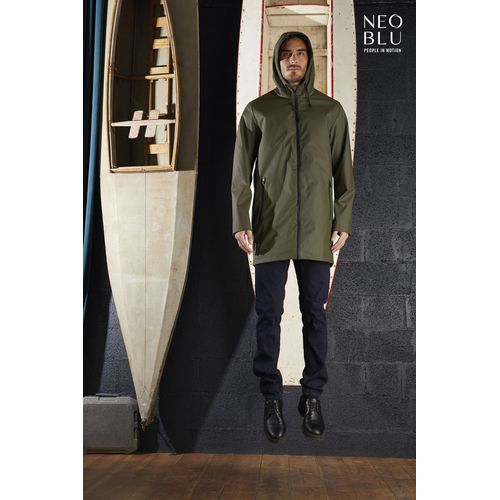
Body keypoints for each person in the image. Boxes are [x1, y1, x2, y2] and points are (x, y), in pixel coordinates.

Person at [232, 31, 355, 442]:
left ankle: (312, 395)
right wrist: (241, 219)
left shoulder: (330, 112)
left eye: (301, 53)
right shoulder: (258, 111)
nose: (294, 60)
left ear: (310, 59)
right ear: (276, 61)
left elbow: (344, 174)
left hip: (317, 229)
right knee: (268, 314)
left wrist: (343, 220)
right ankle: (271, 396)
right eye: (286, 54)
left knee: (314, 314)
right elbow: (240, 174)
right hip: (270, 228)